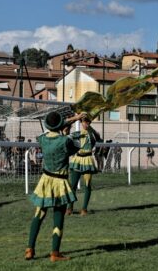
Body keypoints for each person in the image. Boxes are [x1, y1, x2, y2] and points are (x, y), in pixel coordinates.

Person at [25, 111, 83, 262]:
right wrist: (70, 132)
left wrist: (75, 118)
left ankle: (30, 249)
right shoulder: (65, 141)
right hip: (60, 182)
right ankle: (55, 253)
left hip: (45, 180)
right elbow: (76, 146)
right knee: (58, 217)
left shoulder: (42, 139)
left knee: (38, 215)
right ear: (60, 126)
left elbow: (57, 128)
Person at [66, 116, 101, 216]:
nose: (86, 124)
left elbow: (99, 139)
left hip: (88, 160)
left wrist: (92, 130)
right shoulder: (77, 134)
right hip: (77, 160)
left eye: (88, 122)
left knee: (87, 185)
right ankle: (69, 208)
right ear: (81, 122)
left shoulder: (93, 134)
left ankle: (84, 209)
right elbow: (66, 137)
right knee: (73, 185)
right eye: (84, 122)